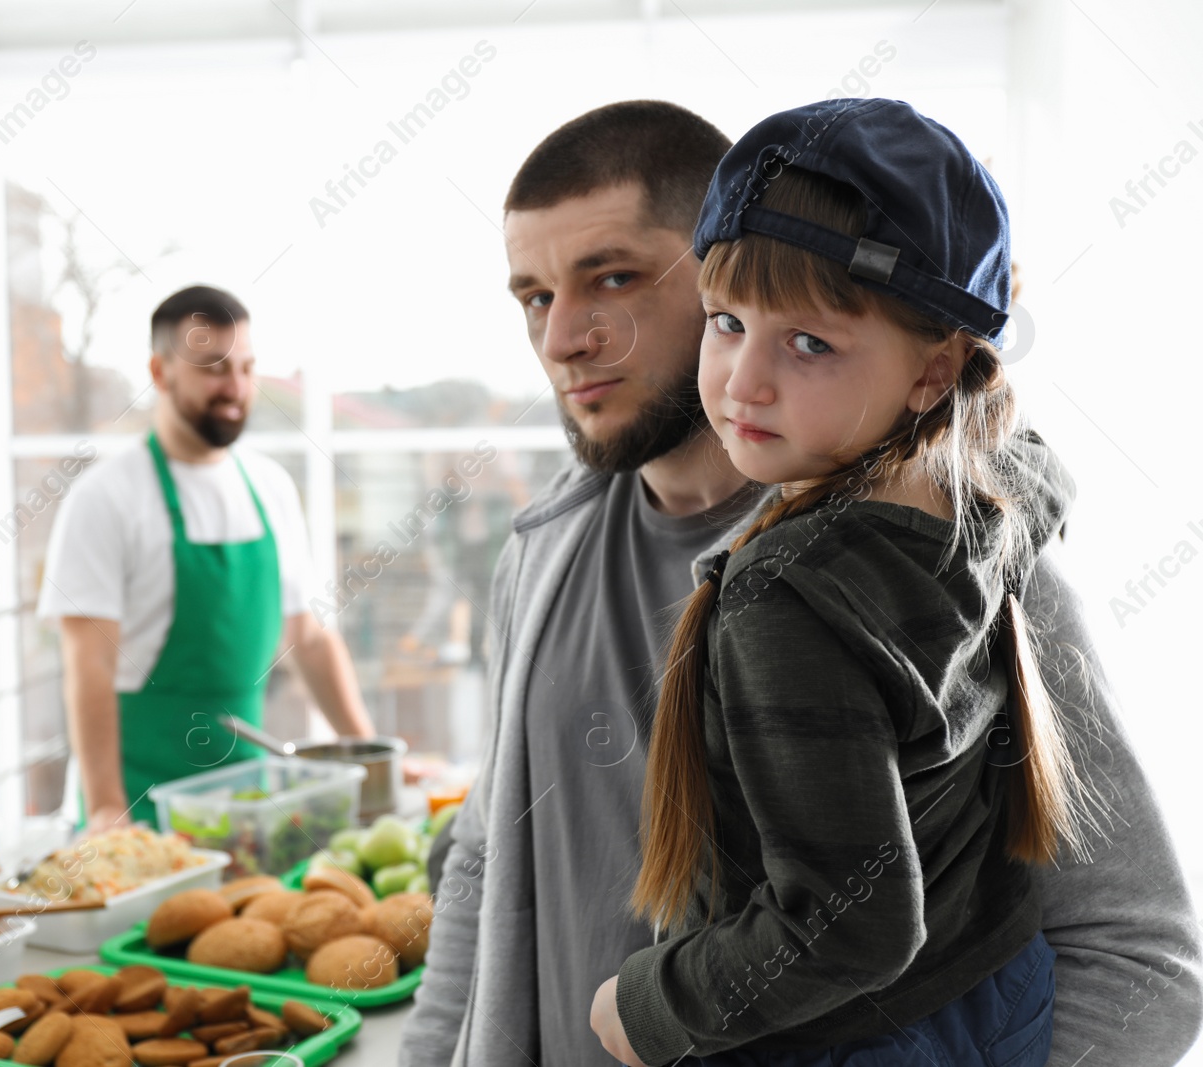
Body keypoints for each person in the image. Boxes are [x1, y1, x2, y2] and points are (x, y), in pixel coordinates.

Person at [400, 100, 1202, 1067]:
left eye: (610, 278)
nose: (562, 336)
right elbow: (486, 860)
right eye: (533, 296)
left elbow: (1141, 956)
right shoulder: (539, 551)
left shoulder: (949, 564)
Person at [588, 97, 1084, 1066]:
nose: (742, 381)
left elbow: (849, 923)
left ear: (932, 371)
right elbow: (1026, 450)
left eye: (808, 342)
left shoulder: (787, 598)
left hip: (845, 1036)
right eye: (726, 321)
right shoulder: (994, 491)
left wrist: (645, 1004)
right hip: (996, 983)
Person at [39, 285, 374, 832]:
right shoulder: (105, 497)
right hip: (138, 810)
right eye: (214, 368)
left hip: (247, 808)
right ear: (160, 370)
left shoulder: (270, 487)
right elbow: (88, 666)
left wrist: (367, 760)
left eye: (246, 367)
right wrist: (104, 806)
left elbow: (307, 639)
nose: (236, 388)